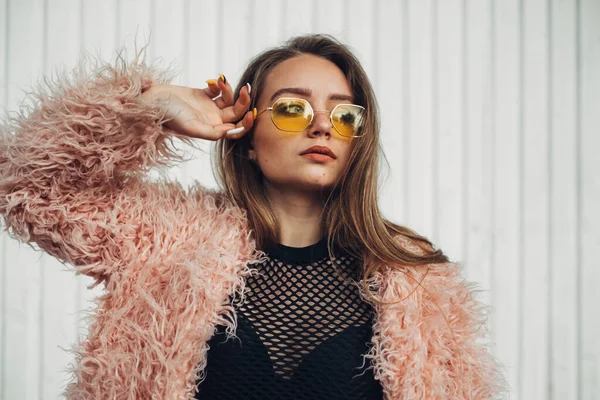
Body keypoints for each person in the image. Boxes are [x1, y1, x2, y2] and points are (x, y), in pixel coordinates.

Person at [0, 34, 507, 399]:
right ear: (245, 139)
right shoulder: (165, 239)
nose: (323, 127)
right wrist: (148, 105)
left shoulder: (420, 284)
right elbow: (26, 185)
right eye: (293, 109)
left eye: (345, 114)